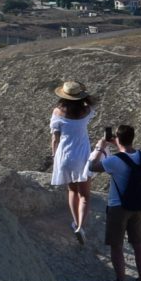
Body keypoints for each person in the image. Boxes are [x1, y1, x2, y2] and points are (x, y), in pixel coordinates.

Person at [89, 123, 141, 281]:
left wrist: (101, 148)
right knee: (139, 245)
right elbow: (129, 154)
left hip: (118, 207)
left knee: (116, 245)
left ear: (117, 139)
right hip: (138, 205)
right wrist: (118, 143)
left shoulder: (114, 161)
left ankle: (121, 280)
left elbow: (92, 166)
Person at [48, 81, 95, 243]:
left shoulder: (57, 112)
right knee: (85, 195)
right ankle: (81, 226)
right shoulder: (86, 111)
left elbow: (55, 138)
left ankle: (75, 222)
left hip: (65, 156)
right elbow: (90, 103)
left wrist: (55, 156)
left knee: (72, 192)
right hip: (82, 156)